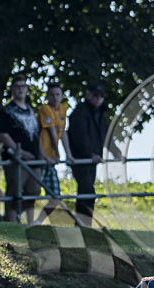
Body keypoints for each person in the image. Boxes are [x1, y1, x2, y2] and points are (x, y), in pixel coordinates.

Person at [0, 73, 41, 224]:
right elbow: (3, 136)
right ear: (12, 89)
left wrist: (39, 154)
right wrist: (21, 153)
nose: (21, 89)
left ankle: (27, 221)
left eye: (23, 86)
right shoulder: (6, 111)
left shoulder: (31, 110)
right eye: (17, 87)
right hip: (15, 158)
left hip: (34, 159)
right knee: (15, 192)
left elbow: (36, 135)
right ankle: (10, 221)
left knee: (34, 191)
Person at [67, 83, 110, 227]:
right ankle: (83, 224)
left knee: (85, 192)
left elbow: (106, 135)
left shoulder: (99, 114)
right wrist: (90, 154)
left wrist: (117, 153)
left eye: (101, 96)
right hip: (82, 160)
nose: (98, 99)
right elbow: (79, 137)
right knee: (87, 192)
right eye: (96, 95)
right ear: (88, 95)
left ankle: (83, 225)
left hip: (92, 161)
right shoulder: (80, 112)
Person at [34, 82, 76, 225]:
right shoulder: (45, 109)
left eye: (58, 94)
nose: (55, 97)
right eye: (52, 94)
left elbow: (62, 133)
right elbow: (51, 131)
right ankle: (17, 219)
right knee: (32, 192)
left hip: (51, 159)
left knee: (55, 196)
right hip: (40, 157)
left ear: (62, 96)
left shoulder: (63, 110)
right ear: (47, 96)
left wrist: (68, 154)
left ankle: (38, 221)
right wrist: (58, 154)